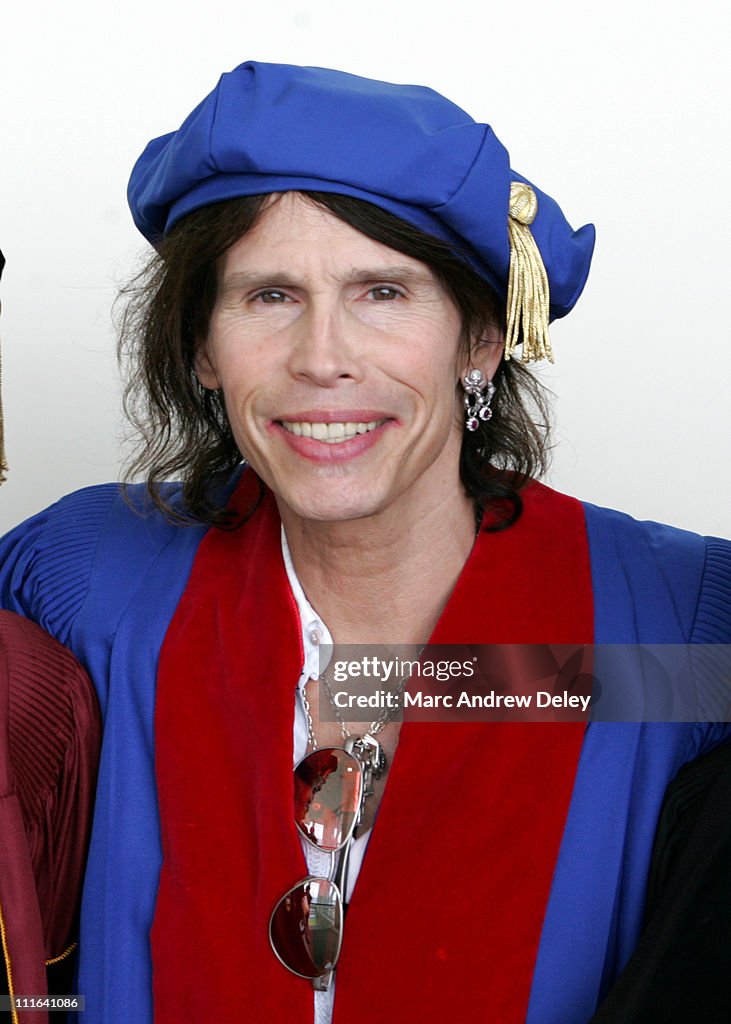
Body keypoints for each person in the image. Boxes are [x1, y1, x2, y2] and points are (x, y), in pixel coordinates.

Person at [0, 62, 728, 1024]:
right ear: (203, 351)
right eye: (268, 296)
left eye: (383, 292)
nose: (322, 357)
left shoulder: (668, 627)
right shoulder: (93, 581)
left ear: (478, 339)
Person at [0, 249, 101, 1023]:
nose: (326, 359)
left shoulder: (33, 679)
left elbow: (46, 987)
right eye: (270, 295)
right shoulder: (81, 570)